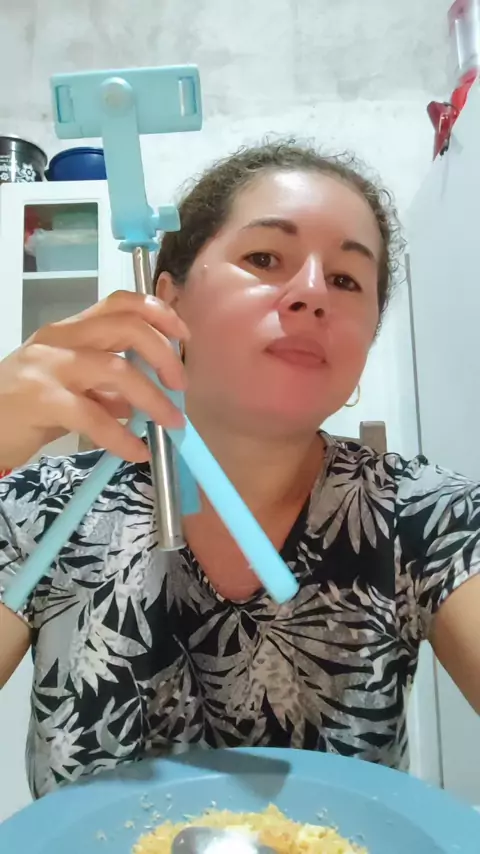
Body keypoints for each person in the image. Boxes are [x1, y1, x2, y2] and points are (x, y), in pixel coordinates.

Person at [0, 141, 479, 801]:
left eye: (346, 280)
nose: (312, 294)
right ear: (166, 303)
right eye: (264, 258)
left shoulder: (425, 513)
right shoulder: (43, 508)